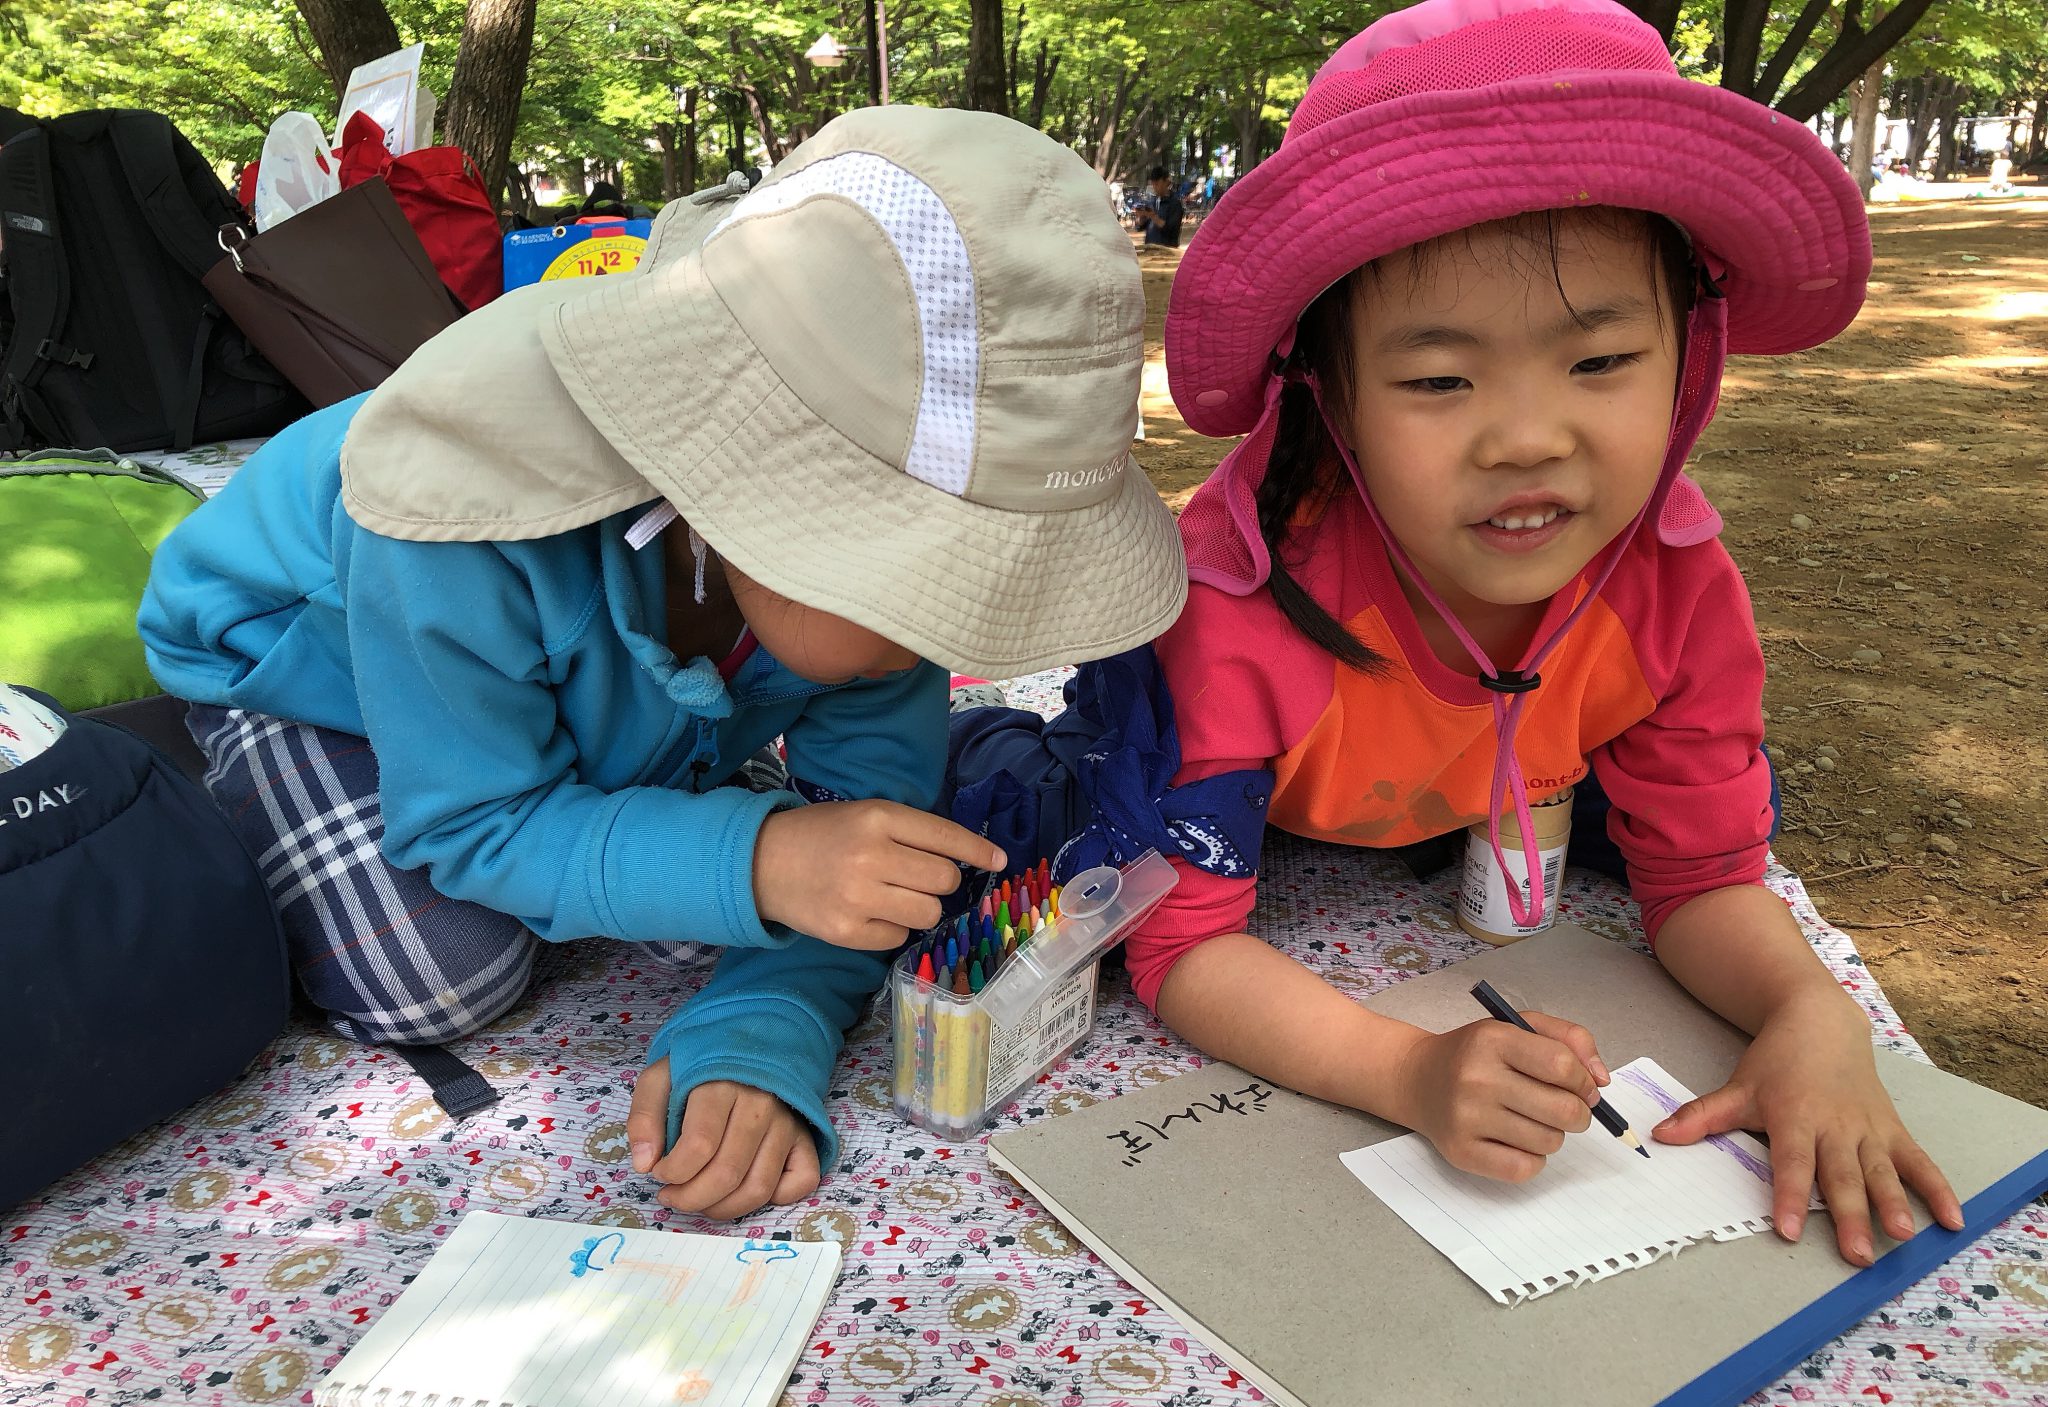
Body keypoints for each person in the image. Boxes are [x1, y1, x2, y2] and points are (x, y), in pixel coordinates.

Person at [947, 0, 1961, 1267]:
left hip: (1484, 803)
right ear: (1329, 394)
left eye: (1600, 361)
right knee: (1026, 823)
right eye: (1437, 380)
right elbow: (1181, 943)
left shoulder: (1678, 589)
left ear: (1688, 358)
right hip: (1244, 794)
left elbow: (1701, 875)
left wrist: (1809, 1010)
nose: (1526, 438)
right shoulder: (1228, 614)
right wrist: (1408, 1071)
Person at [138, 106, 1186, 1221]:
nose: (965, 637)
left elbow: (860, 831)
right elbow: (472, 824)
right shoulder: (454, 516)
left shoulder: (868, 611)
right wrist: (762, 855)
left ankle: (639, 783)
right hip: (316, 677)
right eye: (940, 574)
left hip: (596, 687)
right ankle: (208, 797)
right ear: (752, 493)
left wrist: (763, 1019)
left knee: (799, 868)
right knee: (437, 967)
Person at [1130, 164, 1184, 247]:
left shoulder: (1175, 204)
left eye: (1157, 184)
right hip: (1150, 249)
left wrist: (1153, 216)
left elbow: (1171, 230)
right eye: (1153, 184)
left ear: (1166, 182)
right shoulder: (1151, 202)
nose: (1155, 187)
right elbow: (1140, 227)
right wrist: (1140, 217)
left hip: (1167, 250)